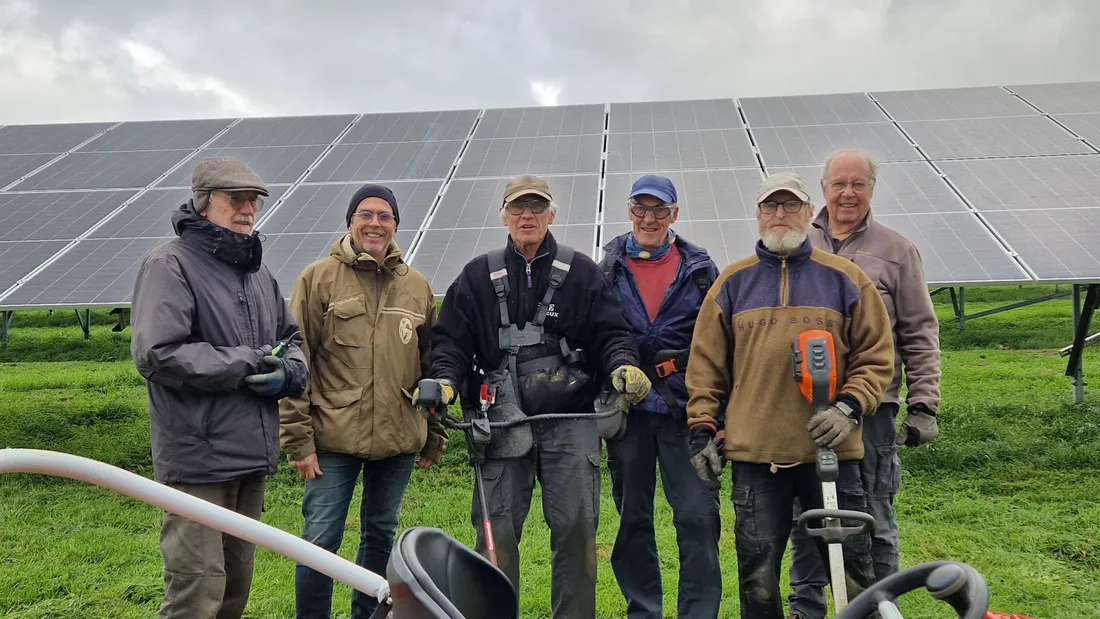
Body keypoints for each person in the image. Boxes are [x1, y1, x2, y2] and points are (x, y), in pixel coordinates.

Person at [423, 173, 651, 619]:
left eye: (536, 207)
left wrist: (624, 364)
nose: (526, 215)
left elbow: (611, 333)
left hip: (572, 423)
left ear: (551, 214)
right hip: (502, 422)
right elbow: (449, 341)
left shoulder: (582, 272)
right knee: (497, 535)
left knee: (576, 531)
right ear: (504, 215)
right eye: (517, 208)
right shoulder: (476, 276)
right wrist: (446, 381)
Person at [684, 170, 895, 619]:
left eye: (790, 205)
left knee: (851, 575)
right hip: (756, 459)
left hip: (832, 454)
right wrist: (702, 429)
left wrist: (849, 405)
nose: (780, 215)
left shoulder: (846, 278)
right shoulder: (732, 284)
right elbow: (705, 368)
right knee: (758, 581)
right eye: (770, 206)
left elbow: (877, 357)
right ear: (759, 216)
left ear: (808, 212)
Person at [130, 157, 309, 619]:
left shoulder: (257, 273)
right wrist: (249, 361)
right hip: (198, 457)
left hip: (249, 453)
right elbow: (158, 353)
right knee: (196, 594)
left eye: (254, 200)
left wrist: (290, 370)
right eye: (236, 199)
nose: (248, 209)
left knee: (234, 588)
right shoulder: (170, 265)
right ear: (205, 204)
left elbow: (291, 338)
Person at [785, 149, 942, 619]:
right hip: (803, 405)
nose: (848, 193)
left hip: (873, 408)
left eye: (858, 184)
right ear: (823, 187)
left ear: (872, 189)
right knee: (806, 511)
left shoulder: (897, 251)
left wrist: (924, 404)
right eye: (839, 183)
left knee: (872, 510)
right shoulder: (793, 244)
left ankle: (878, 606)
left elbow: (919, 330)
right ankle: (806, 607)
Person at [278, 183, 447, 619]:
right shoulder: (318, 278)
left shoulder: (416, 285)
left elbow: (433, 366)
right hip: (332, 438)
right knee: (320, 539)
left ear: (395, 225)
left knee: (380, 535)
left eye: (385, 216)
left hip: (398, 437)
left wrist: (434, 432)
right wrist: (299, 440)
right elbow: (297, 361)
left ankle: (367, 616)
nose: (375, 223)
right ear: (351, 222)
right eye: (365, 214)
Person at [598, 174, 723, 619]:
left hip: (687, 410)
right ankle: (644, 610)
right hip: (628, 412)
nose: (648, 218)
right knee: (633, 519)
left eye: (659, 210)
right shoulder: (606, 268)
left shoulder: (702, 270)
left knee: (697, 517)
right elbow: (595, 334)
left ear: (675, 213)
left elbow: (720, 345)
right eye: (640, 209)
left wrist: (718, 415)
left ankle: (698, 613)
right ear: (629, 211)